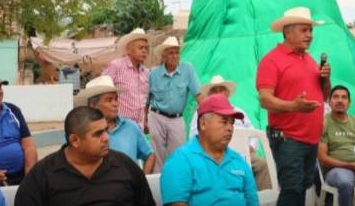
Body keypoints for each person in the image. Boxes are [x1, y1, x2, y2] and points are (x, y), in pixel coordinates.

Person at [256, 6, 329, 206]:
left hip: (310, 138)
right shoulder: (271, 60)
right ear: (287, 32)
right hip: (288, 138)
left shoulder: (310, 60)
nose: (309, 35)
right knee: (292, 191)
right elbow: (264, 99)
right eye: (304, 30)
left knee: (301, 188)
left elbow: (325, 96)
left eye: (310, 30)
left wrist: (326, 78)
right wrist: (294, 106)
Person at [15, 106, 155, 205]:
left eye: (105, 130)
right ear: (75, 140)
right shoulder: (42, 175)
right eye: (98, 134)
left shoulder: (125, 165)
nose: (106, 138)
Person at [161, 94, 259, 206]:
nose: (230, 128)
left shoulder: (239, 162)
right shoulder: (180, 160)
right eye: (224, 121)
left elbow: (253, 202)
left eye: (231, 123)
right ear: (203, 124)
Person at [189, 74, 272, 190]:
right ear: (209, 95)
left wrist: (251, 147)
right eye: (214, 91)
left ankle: (262, 200)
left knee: (263, 165)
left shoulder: (238, 111)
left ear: (227, 93)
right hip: (213, 156)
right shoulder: (201, 113)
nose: (218, 93)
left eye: (221, 90)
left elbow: (254, 134)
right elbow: (194, 137)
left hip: (245, 154)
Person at [75, 75, 155, 173]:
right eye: (109, 100)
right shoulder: (82, 131)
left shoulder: (130, 127)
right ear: (93, 105)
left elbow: (150, 154)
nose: (115, 103)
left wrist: (142, 180)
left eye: (116, 99)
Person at [147, 36, 202, 172]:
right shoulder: (153, 74)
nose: (175, 56)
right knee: (157, 156)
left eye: (177, 52)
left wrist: (207, 112)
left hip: (177, 118)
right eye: (171, 53)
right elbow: (146, 100)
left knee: (178, 155)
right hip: (156, 116)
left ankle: (176, 185)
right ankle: (156, 187)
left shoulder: (187, 69)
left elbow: (198, 95)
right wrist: (144, 120)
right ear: (163, 56)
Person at [318, 85, 355, 206]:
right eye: (336, 97)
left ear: (349, 103)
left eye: (344, 97)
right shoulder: (323, 123)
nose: (340, 100)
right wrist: (350, 165)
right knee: (345, 182)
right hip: (335, 170)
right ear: (329, 101)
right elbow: (322, 158)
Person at [103, 28, 151, 129]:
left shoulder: (145, 72)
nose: (144, 51)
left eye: (146, 48)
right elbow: (102, 91)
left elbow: (145, 100)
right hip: (120, 124)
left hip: (139, 125)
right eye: (141, 47)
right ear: (129, 50)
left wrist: (145, 120)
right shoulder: (116, 66)